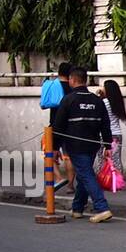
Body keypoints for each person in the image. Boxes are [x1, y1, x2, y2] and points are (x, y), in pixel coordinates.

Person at [52, 66, 113, 222]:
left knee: (86, 174)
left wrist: (54, 148)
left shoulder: (68, 100)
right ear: (85, 80)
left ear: (72, 80)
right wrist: (107, 145)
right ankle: (77, 207)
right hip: (93, 145)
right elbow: (106, 124)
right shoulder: (97, 101)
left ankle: (102, 207)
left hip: (75, 145)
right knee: (83, 174)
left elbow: (58, 126)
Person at [47, 62, 74, 191]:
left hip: (54, 126)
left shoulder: (54, 86)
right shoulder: (73, 86)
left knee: (49, 153)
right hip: (70, 126)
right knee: (68, 156)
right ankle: (70, 185)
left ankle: (58, 178)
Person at [97, 78, 126, 182]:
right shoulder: (117, 102)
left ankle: (103, 180)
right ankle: (118, 181)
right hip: (117, 134)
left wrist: (99, 96)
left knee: (102, 158)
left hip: (104, 135)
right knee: (116, 159)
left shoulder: (104, 102)